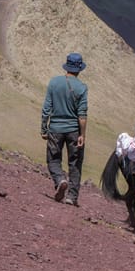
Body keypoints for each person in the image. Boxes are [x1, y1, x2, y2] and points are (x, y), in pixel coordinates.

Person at [40, 53, 88, 206]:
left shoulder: (54, 83)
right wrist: (82, 135)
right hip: (74, 131)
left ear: (66, 66)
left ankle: (60, 180)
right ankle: (71, 197)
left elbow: (46, 108)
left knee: (53, 159)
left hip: (55, 129)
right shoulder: (81, 88)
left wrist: (44, 128)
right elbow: (82, 115)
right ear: (79, 69)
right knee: (75, 163)